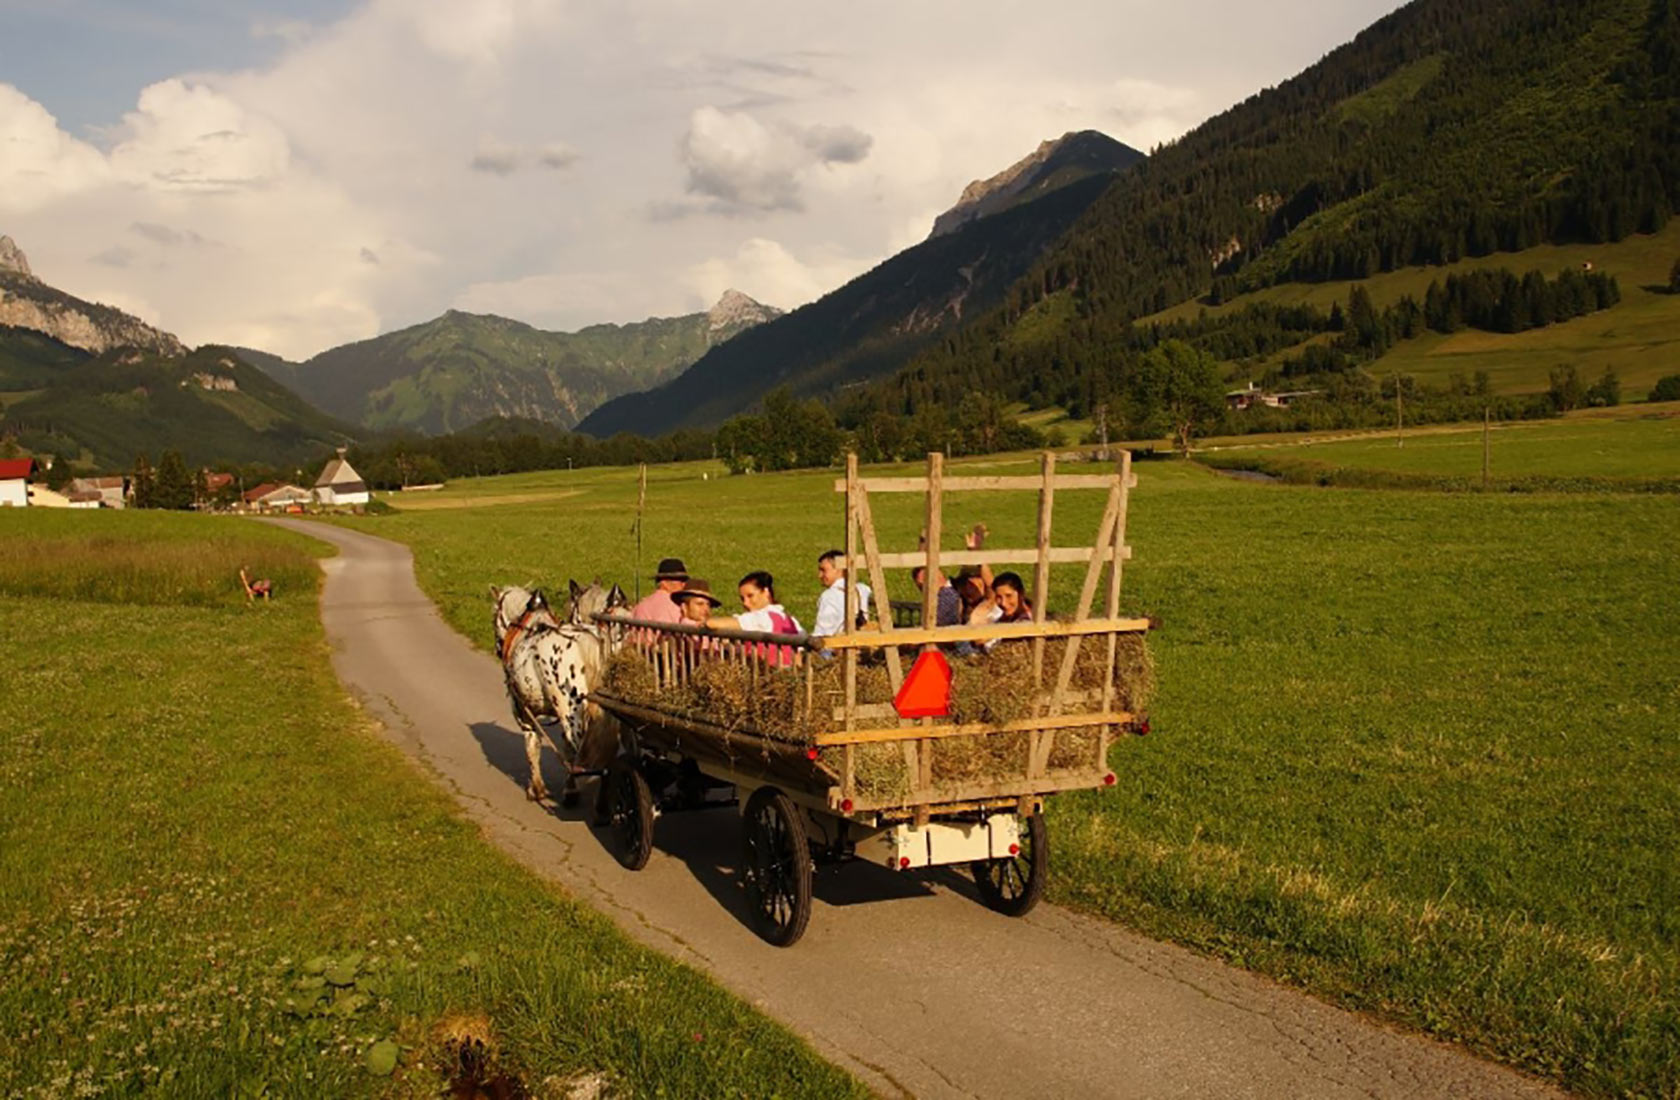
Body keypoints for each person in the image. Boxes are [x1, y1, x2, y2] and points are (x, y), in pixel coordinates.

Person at [709, 570, 804, 666]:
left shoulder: (760, 617)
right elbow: (798, 657)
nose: (745, 603)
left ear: (766, 592)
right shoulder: (792, 621)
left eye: (750, 596)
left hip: (764, 674)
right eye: (742, 599)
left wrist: (702, 623)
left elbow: (712, 624)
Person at [812, 549, 872, 639]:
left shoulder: (829, 596)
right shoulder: (862, 589)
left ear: (839, 570)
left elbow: (822, 630)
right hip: (862, 641)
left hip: (838, 646)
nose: (820, 575)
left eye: (823, 570)